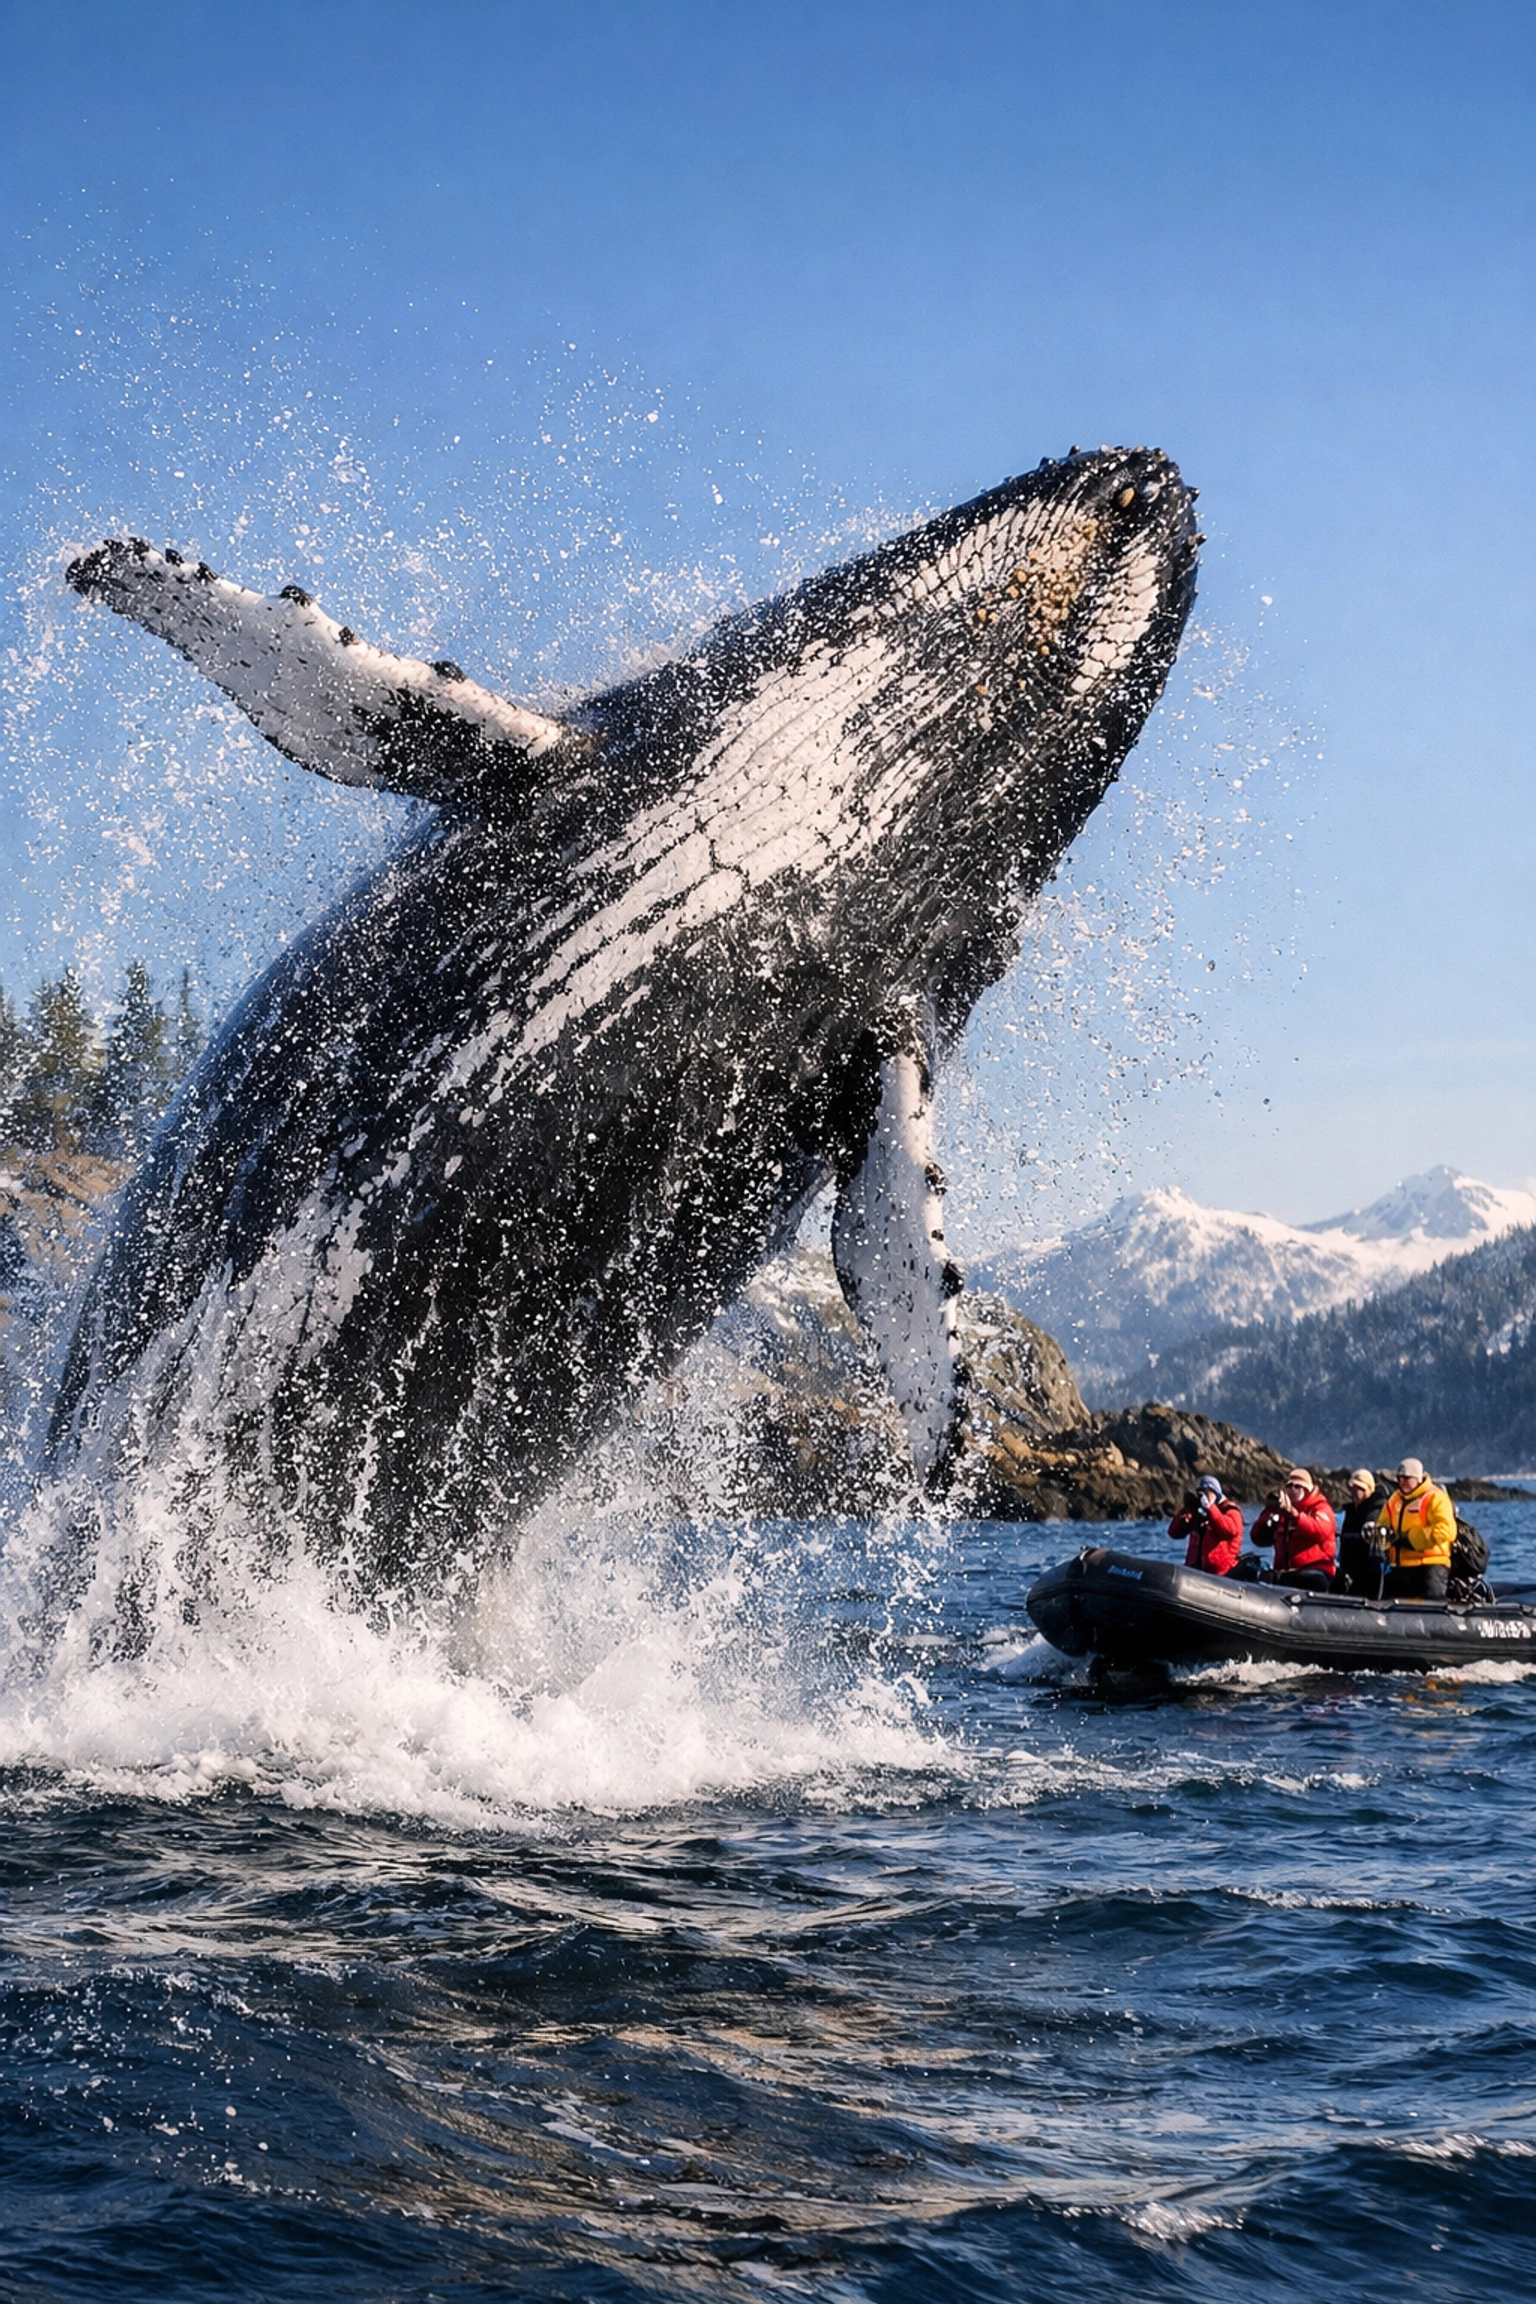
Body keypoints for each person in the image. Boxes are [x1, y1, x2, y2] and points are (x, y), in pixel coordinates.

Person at [1374, 1457, 1455, 1601]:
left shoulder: (1435, 1498)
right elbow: (1382, 1524)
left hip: (1431, 1565)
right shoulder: (1394, 1500)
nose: (1402, 1482)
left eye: (1407, 1478)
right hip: (1401, 1566)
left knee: (1433, 1601)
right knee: (1387, 1598)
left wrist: (1410, 1539)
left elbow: (1446, 1530)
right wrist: (1379, 1534)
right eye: (1400, 1478)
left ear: (1417, 1478)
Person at [1250, 1467, 1337, 1589]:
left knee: (1304, 1579)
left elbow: (1320, 1530)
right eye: (1289, 1486)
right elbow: (1257, 1538)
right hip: (1287, 1573)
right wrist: (1268, 1510)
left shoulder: (1321, 1508)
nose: (1292, 1489)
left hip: (1315, 1571)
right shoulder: (1282, 1514)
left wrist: (1294, 1515)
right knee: (1260, 1575)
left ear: (1307, 1489)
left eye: (1297, 1486)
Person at [1168, 1474, 1245, 1576]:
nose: (1203, 1497)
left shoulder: (1231, 1511)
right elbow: (1174, 1532)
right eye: (1200, 1493)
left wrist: (1210, 1507)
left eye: (1206, 1493)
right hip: (1197, 1572)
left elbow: (1228, 1531)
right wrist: (1188, 1508)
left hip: (1222, 1574)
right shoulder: (1198, 1513)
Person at [1336, 1469, 1385, 1598]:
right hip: (1349, 1567)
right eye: (1352, 1488)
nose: (1353, 1492)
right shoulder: (1350, 1511)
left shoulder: (1377, 1510)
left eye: (1358, 1488)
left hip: (1369, 1569)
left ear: (1368, 1490)